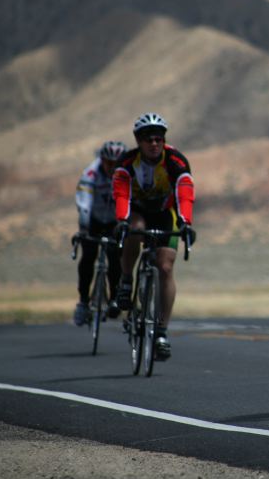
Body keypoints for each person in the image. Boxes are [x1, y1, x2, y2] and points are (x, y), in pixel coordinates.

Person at [112, 112, 196, 360]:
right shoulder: (126, 163)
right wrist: (121, 221)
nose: (154, 144)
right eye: (148, 139)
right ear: (139, 141)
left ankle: (161, 331)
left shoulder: (176, 161)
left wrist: (185, 223)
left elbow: (185, 194)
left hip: (164, 213)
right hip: (137, 211)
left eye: (158, 139)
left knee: (166, 267)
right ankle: (126, 280)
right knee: (134, 228)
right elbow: (121, 196)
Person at [73, 140, 128, 326]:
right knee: (88, 256)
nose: (112, 167)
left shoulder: (127, 173)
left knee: (115, 257)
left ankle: (114, 298)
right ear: (101, 159)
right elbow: (84, 201)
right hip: (94, 220)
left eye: (116, 163)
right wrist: (84, 226)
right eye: (108, 162)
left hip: (115, 221)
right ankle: (82, 302)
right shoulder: (91, 173)